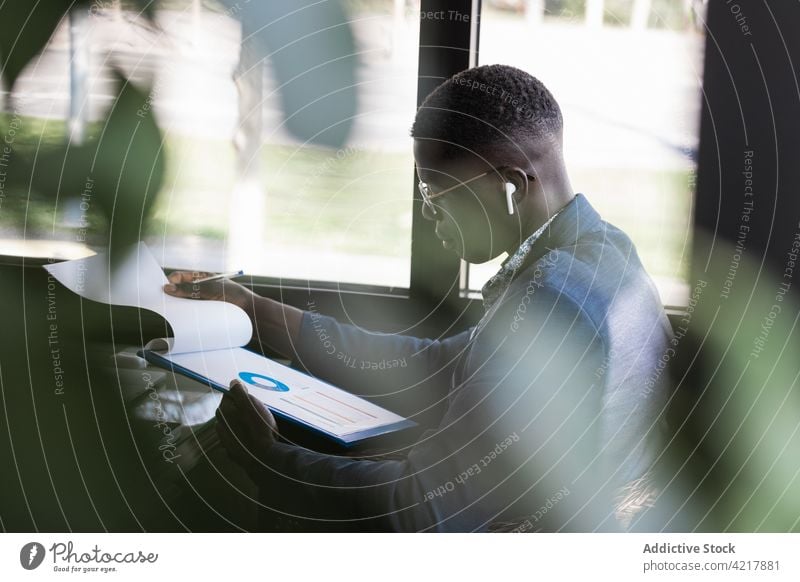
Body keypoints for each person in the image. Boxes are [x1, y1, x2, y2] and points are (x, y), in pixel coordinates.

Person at [165, 64, 672, 532]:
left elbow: (423, 508)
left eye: (435, 193)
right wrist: (252, 307)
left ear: (511, 187)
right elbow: (441, 366)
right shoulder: (606, 252)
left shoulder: (548, 301)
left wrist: (266, 458)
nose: (428, 215)